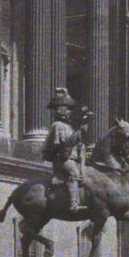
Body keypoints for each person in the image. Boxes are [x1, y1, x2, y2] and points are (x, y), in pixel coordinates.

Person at [43, 89, 88, 217]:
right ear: (60, 109)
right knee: (74, 173)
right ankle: (73, 204)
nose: (69, 111)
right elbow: (66, 143)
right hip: (63, 159)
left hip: (72, 158)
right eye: (67, 108)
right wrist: (80, 132)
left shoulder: (68, 126)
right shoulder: (58, 125)